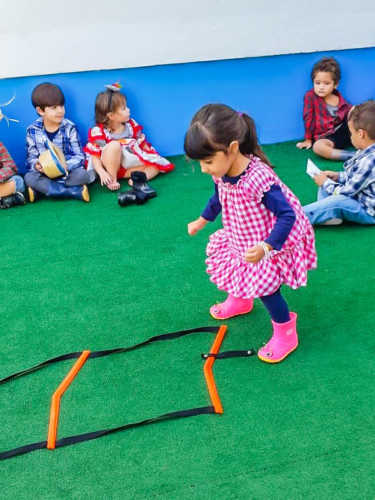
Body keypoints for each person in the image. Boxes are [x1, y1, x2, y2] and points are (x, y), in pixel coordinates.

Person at [185, 104, 317, 363]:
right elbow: (218, 198)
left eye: (208, 161)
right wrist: (202, 220)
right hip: (241, 234)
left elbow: (287, 215)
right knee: (237, 264)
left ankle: (286, 331)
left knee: (267, 289)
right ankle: (241, 299)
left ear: (232, 148)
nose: (204, 169)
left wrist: (267, 247)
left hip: (267, 239)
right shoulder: (222, 173)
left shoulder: (257, 179)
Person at [84, 83, 174, 191]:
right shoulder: (99, 131)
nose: (128, 110)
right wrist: (101, 172)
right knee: (114, 146)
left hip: (126, 167)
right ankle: (112, 179)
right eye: (124, 108)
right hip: (110, 166)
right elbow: (95, 156)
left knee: (155, 166)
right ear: (111, 115)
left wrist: (150, 156)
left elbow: (142, 144)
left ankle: (137, 179)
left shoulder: (131, 126)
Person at [303, 100, 375, 226]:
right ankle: (329, 216)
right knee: (329, 183)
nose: (350, 137)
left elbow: (346, 192)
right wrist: (338, 176)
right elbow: (356, 177)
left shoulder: (370, 161)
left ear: (361, 134)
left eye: (351, 133)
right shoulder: (364, 150)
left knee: (338, 199)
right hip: (358, 195)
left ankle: (296, 218)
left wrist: (326, 183)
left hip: (367, 211)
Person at [24, 83, 95, 202]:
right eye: (54, 108)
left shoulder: (69, 127)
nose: (60, 111)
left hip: (67, 173)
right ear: (40, 110)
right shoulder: (32, 130)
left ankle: (44, 191)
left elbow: (80, 156)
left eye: (62, 106)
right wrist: (37, 165)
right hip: (45, 174)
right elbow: (31, 158)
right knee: (29, 177)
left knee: (83, 175)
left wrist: (66, 166)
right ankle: (72, 192)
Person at [296, 57, 354, 161]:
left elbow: (350, 116)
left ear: (335, 84)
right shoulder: (310, 97)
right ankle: (352, 156)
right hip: (326, 137)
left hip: (346, 132)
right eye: (317, 83)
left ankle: (369, 147)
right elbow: (308, 118)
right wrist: (308, 139)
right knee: (318, 147)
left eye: (326, 83)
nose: (321, 87)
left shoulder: (340, 100)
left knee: (358, 110)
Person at [0, 140, 25, 209]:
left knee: (18, 181)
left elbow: (11, 166)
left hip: (2, 182)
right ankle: (8, 200)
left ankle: (5, 200)